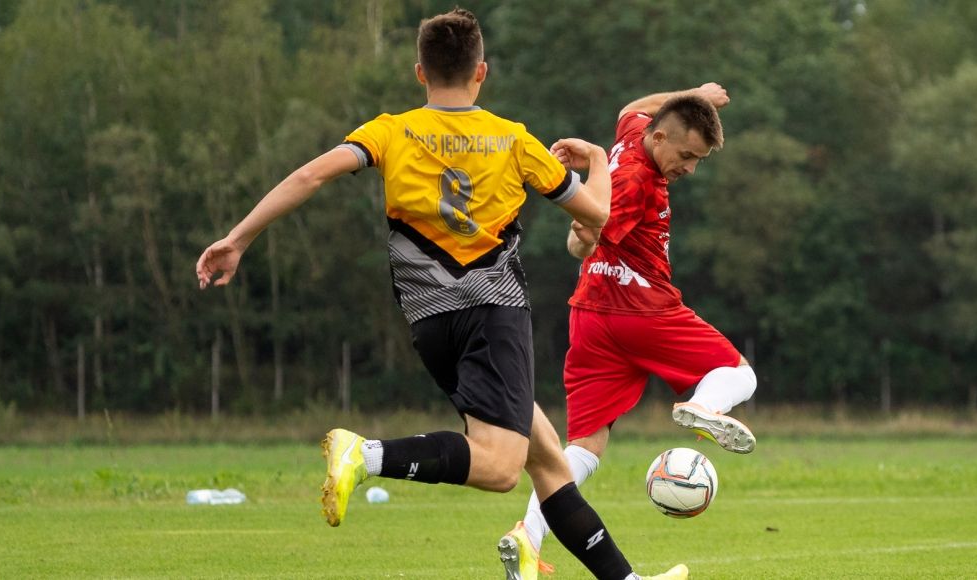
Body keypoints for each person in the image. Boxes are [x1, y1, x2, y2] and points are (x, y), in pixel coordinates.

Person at [195, 8, 687, 580]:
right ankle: (366, 454)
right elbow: (597, 213)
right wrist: (599, 158)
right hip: (493, 314)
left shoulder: (389, 131)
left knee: (548, 459)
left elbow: (309, 176)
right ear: (482, 71)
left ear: (420, 73)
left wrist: (237, 239)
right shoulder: (512, 139)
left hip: (429, 324)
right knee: (501, 469)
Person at [508, 85, 759, 565]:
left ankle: (527, 537)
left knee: (584, 446)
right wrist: (582, 238)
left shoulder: (634, 132)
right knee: (739, 374)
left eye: (698, 159)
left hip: (590, 315)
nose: (690, 169)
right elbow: (585, 234)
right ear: (660, 139)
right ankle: (703, 407)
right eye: (687, 156)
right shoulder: (636, 180)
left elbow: (632, 108)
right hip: (642, 311)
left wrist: (696, 95)